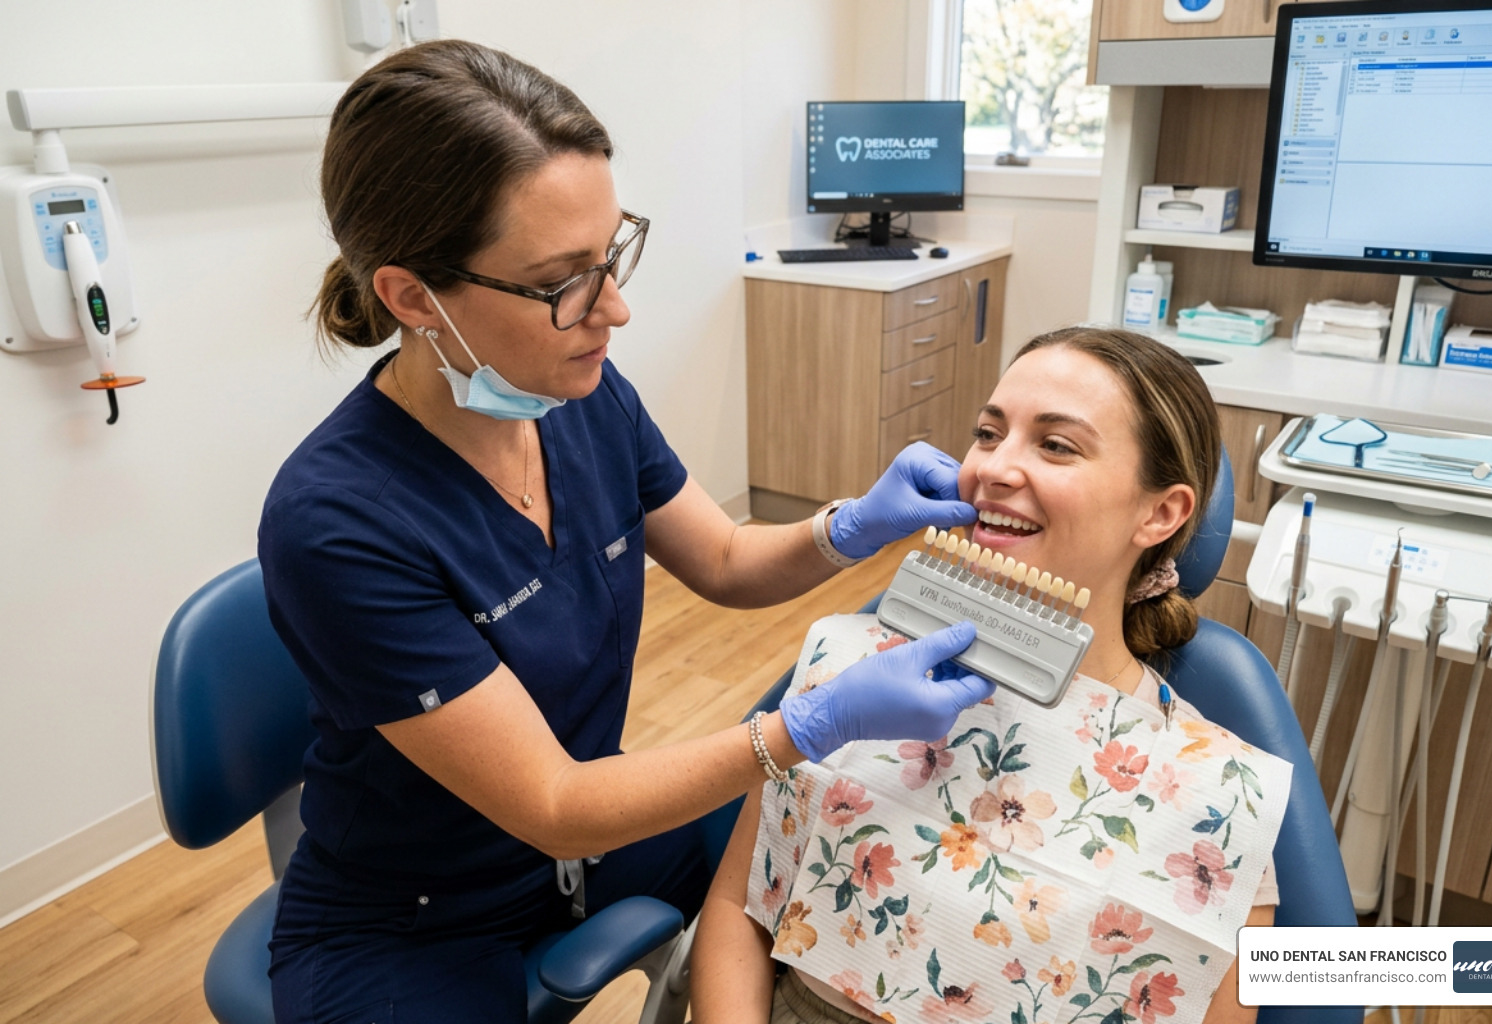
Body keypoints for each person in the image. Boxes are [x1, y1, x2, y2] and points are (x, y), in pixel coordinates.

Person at [258, 39, 996, 1024]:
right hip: (414, 915)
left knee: (817, 874)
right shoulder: (337, 523)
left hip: (584, 842)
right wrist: (805, 726)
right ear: (412, 296)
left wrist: (851, 526)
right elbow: (553, 803)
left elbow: (724, 560)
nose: (615, 307)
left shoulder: (580, 398)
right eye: (563, 280)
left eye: (610, 253)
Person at [692, 326, 1277, 1024]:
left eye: (1056, 445)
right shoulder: (852, 671)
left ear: (1161, 513)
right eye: (988, 434)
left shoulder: (1219, 797)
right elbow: (738, 908)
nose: (994, 468)